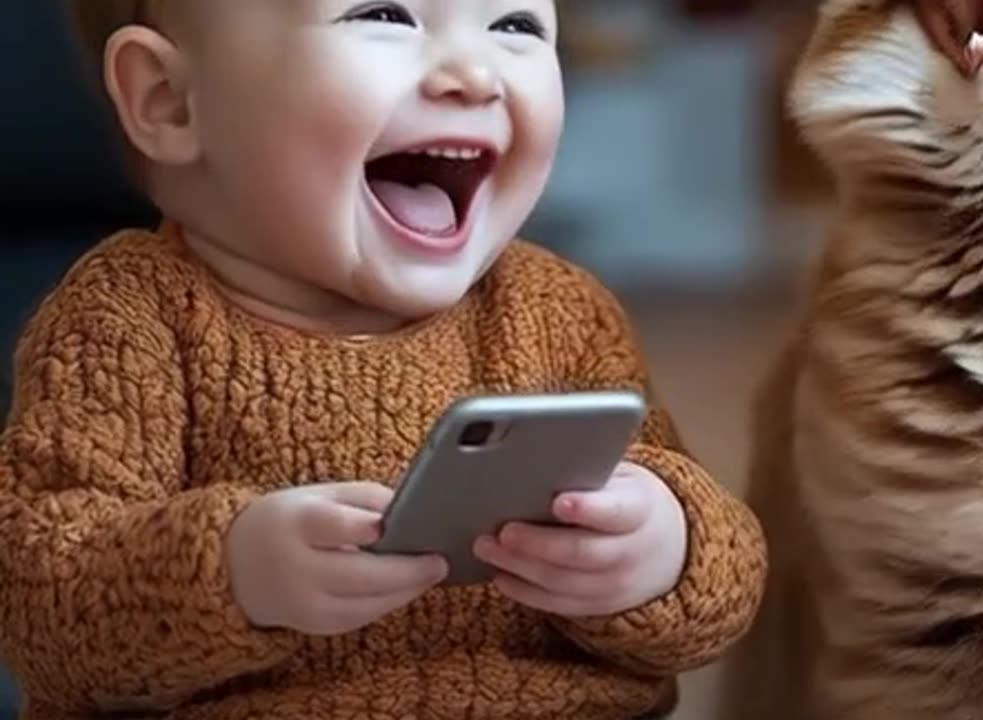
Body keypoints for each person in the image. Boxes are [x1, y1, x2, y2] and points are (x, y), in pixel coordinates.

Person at [0, 2, 767, 718]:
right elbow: (40, 604)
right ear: (170, 101)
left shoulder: (558, 310)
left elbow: (721, 594)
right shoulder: (129, 316)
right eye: (385, 14)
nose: (473, 73)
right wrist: (233, 572)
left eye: (515, 24)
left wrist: (664, 552)